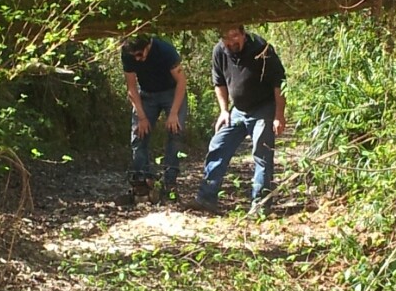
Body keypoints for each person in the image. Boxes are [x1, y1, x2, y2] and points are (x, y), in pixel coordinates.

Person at [193, 25, 286, 216]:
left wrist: (279, 115)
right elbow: (219, 82)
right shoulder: (219, 51)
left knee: (262, 151)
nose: (231, 41)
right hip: (238, 110)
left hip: (263, 108)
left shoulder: (261, 47)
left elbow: (280, 83)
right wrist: (223, 111)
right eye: (226, 37)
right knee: (218, 145)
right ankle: (206, 198)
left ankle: (260, 205)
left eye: (234, 35)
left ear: (243, 34)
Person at [120, 34, 188, 200]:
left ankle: (169, 182)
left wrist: (173, 113)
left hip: (172, 93)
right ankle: (142, 182)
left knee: (175, 133)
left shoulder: (165, 51)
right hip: (147, 94)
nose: (138, 59)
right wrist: (142, 117)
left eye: (140, 54)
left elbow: (181, 82)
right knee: (138, 135)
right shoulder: (128, 53)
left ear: (148, 46)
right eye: (134, 56)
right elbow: (131, 87)